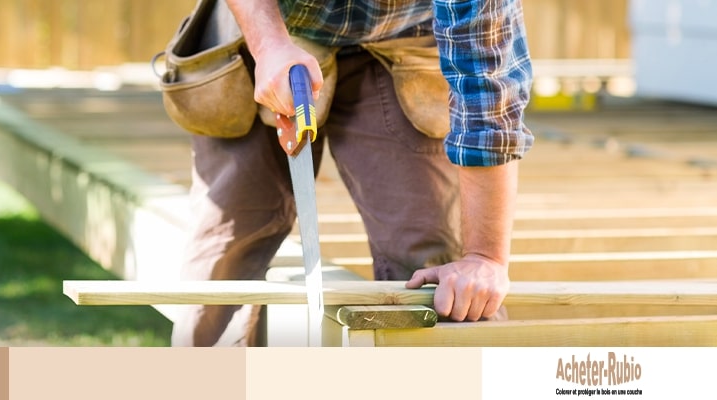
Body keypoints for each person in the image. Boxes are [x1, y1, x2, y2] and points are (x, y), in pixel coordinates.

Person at [170, 0, 534, 347]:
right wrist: (268, 46)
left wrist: (484, 258)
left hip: (399, 37)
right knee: (222, 265)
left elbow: (487, 84)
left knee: (436, 275)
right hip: (264, 23)